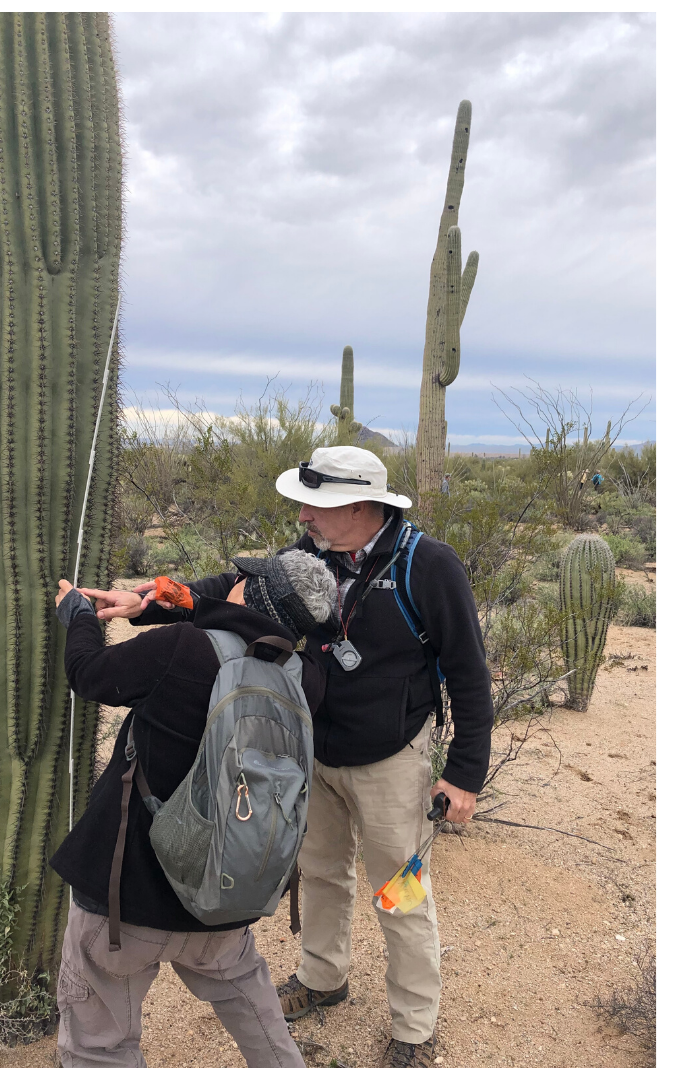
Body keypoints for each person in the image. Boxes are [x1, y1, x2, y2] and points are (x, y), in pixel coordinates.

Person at [89, 446, 493, 1068]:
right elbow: (232, 591)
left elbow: (469, 673)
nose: (303, 515)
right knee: (323, 871)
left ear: (358, 505)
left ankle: (415, 1027)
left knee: (400, 892)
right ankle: (324, 977)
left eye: (316, 503)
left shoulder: (429, 567)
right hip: (310, 752)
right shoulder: (310, 555)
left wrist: (464, 773)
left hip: (391, 757)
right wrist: (153, 598)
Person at [51, 550, 337, 1066]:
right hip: (222, 898)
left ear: (250, 593)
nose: (234, 580)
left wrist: (75, 615)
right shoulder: (306, 678)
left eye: (243, 577)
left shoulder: (181, 649)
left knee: (99, 1045)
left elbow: (90, 675)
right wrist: (164, 600)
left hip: (127, 897)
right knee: (259, 1021)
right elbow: (249, 627)